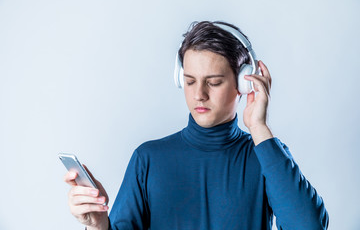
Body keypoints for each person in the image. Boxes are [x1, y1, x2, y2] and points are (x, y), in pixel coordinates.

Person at [64, 21, 329, 230]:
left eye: (213, 82)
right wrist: (97, 226)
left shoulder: (266, 155)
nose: (199, 94)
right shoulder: (149, 159)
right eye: (190, 81)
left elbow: (309, 226)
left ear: (243, 83)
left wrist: (258, 127)